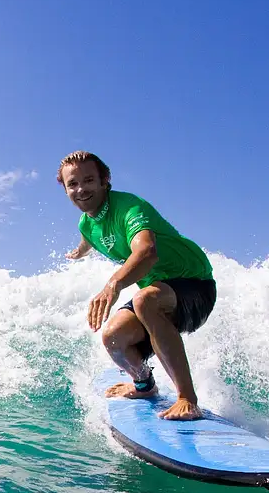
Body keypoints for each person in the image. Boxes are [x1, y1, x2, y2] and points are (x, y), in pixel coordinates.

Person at [58, 151, 216, 421]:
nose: (81, 189)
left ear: (105, 180)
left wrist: (114, 284)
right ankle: (144, 384)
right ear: (65, 189)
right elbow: (89, 237)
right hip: (160, 291)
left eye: (89, 180)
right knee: (113, 338)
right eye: (73, 184)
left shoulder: (130, 207)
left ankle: (187, 398)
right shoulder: (86, 224)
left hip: (195, 284)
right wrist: (79, 251)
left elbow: (147, 252)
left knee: (145, 301)